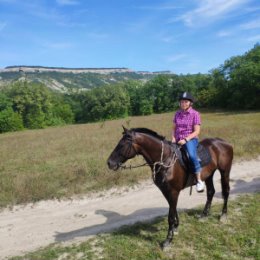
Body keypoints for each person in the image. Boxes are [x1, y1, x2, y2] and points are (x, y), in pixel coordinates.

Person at [171, 92, 205, 192]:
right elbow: (174, 128)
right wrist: (173, 137)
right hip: (177, 139)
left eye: (186, 102)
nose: (183, 103)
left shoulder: (195, 114)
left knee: (191, 155)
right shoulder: (177, 114)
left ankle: (199, 180)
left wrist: (185, 140)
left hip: (190, 139)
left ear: (190, 103)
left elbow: (197, 131)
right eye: (182, 102)